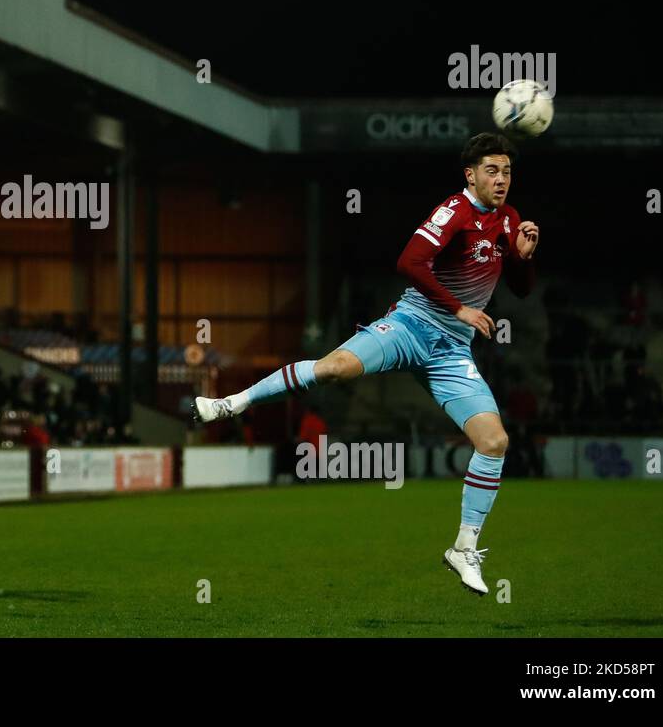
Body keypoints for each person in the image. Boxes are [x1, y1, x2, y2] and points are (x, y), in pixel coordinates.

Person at [193, 132, 540, 596]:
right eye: (492, 170)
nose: (501, 179)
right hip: (411, 326)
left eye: (507, 171)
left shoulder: (509, 219)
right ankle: (232, 403)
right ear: (470, 175)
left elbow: (519, 288)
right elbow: (409, 261)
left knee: (494, 441)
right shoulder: (453, 212)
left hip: (451, 352)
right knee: (334, 368)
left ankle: (463, 548)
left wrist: (521, 258)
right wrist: (458, 308)